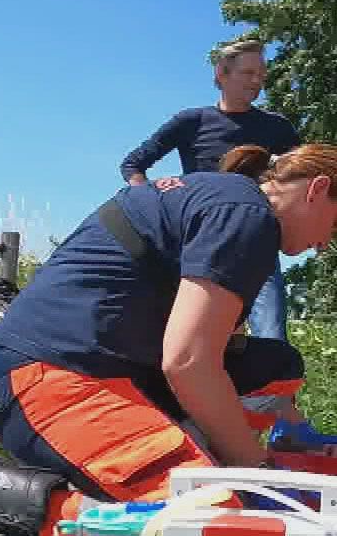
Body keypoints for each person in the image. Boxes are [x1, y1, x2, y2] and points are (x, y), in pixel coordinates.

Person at [0, 144, 337, 536]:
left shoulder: (226, 201)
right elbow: (189, 361)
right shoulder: (246, 216)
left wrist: (297, 453)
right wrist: (257, 473)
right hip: (52, 381)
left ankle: (179, 462)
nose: (325, 245)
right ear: (317, 190)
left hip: (95, 369)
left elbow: (207, 353)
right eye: (336, 226)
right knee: (213, 527)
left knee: (275, 364)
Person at [119, 38, 302, 339]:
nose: (256, 81)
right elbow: (133, 164)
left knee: (271, 337)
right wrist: (153, 196)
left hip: (258, 240)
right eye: (248, 73)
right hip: (199, 245)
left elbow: (306, 176)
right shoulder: (192, 121)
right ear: (222, 74)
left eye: (261, 75)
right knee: (197, 337)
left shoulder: (277, 128)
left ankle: (273, 388)